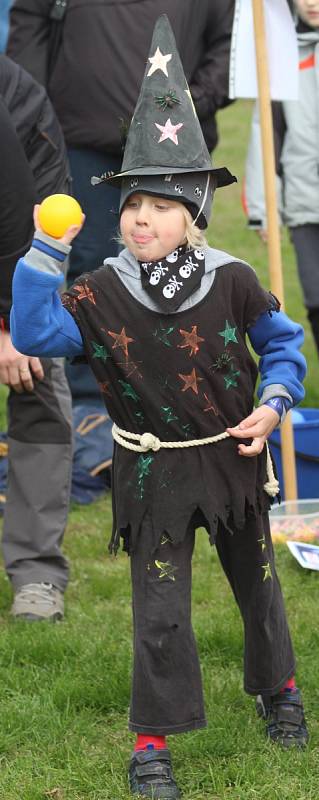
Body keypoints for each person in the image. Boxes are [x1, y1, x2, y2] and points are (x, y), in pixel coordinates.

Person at [11, 16, 308, 797]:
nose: (141, 219)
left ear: (193, 215)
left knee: (259, 589)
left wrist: (274, 405)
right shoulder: (98, 290)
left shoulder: (233, 280)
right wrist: (44, 251)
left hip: (235, 458)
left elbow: (284, 347)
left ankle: (279, 694)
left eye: (160, 205)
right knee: (159, 613)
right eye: (132, 205)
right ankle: (151, 745)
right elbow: (39, 332)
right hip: (151, 471)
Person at [7, 0, 235, 405]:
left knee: (173, 270)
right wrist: (33, 114)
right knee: (89, 274)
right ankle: (92, 407)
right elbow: (30, 28)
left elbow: (229, 45)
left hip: (172, 147)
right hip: (80, 139)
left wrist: (184, 104)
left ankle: (174, 391)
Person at [0, 54, 72, 621]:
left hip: (21, 199)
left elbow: (11, 202)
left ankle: (37, 572)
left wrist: (10, 326)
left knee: (33, 373)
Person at [244, 0, 319, 358]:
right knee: (316, 298)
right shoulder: (281, 56)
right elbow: (267, 133)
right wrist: (261, 207)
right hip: (305, 202)